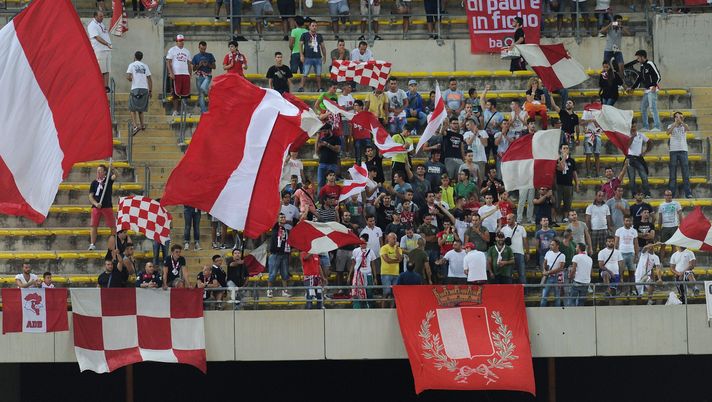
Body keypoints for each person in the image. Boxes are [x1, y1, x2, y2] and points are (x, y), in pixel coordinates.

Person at [629, 49, 662, 132]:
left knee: (653, 108)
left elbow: (658, 75)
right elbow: (639, 78)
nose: (637, 60)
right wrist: (632, 87)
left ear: (643, 57)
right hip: (646, 91)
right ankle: (646, 127)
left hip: (652, 89)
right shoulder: (642, 66)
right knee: (643, 108)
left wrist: (654, 85)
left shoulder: (650, 64)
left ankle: (657, 127)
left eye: (638, 58)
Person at [88, 165, 116, 251]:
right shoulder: (94, 183)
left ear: (104, 172)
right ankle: (92, 244)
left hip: (107, 206)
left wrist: (113, 168)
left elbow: (116, 175)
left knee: (112, 225)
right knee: (93, 225)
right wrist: (96, 204)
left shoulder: (108, 180)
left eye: (100, 171)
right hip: (96, 207)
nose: (98, 173)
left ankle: (114, 243)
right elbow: (90, 196)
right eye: (97, 171)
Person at [125, 51, 152, 135]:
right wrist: (150, 91)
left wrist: (130, 79)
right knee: (141, 109)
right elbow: (150, 79)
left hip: (135, 88)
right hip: (144, 89)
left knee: (132, 108)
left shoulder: (131, 65)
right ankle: (142, 125)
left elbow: (128, 76)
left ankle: (135, 126)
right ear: (141, 57)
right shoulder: (145, 66)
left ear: (134, 57)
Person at [667, 111, 693, 198]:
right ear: (674, 118)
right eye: (677, 117)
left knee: (685, 173)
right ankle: (671, 194)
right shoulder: (670, 125)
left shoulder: (684, 126)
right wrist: (675, 123)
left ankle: (688, 193)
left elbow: (688, 130)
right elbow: (667, 133)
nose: (679, 119)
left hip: (683, 150)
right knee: (672, 174)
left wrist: (681, 122)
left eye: (681, 117)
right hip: (673, 151)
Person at [349, 234, 378, 308]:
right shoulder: (355, 251)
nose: (361, 243)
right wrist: (349, 275)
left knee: (369, 292)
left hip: (368, 274)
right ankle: (357, 307)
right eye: (360, 242)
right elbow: (353, 264)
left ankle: (368, 307)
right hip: (358, 274)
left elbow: (373, 265)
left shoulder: (370, 251)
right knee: (357, 292)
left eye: (363, 242)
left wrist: (375, 277)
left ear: (366, 243)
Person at [166, 35, 192, 117]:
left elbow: (189, 63)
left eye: (182, 40)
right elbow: (168, 62)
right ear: (176, 41)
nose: (181, 42)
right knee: (176, 94)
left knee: (185, 94)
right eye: (180, 41)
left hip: (185, 74)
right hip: (176, 74)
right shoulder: (172, 50)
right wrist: (171, 73)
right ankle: (175, 110)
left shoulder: (187, 51)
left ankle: (184, 111)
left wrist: (190, 73)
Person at [626, 120, 652, 198]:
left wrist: (645, 152)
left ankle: (647, 194)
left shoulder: (641, 135)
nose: (633, 128)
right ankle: (634, 195)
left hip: (639, 158)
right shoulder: (627, 135)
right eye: (632, 127)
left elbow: (650, 142)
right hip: (630, 157)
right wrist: (632, 137)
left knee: (644, 177)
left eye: (634, 126)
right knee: (632, 179)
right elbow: (627, 146)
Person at [87, 11, 112, 92]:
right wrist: (106, 43)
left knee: (107, 69)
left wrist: (108, 45)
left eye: (103, 16)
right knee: (101, 70)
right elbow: (97, 37)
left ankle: (106, 87)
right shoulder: (92, 25)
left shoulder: (101, 24)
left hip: (106, 49)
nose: (102, 18)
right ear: (95, 16)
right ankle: (100, 88)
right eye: (100, 16)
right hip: (99, 50)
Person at [299, 20, 327, 92]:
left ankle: (319, 88)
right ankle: (301, 87)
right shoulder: (304, 35)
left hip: (318, 57)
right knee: (305, 73)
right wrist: (301, 55)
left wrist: (324, 56)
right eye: (313, 26)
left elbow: (323, 47)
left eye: (315, 26)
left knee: (318, 74)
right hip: (308, 57)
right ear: (309, 27)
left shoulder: (319, 36)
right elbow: (300, 45)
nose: (314, 27)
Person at [268, 214, 291, 298]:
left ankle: (285, 291)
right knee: (272, 274)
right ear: (277, 219)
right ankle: (269, 290)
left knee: (285, 274)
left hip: (284, 254)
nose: (283, 218)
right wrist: (280, 204)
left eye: (284, 217)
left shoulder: (286, 230)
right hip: (275, 254)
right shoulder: (275, 227)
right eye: (281, 217)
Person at [500, 214, 529, 284]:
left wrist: (527, 252)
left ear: (513, 219)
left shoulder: (521, 228)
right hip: (508, 254)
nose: (507, 221)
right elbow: (500, 242)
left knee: (522, 273)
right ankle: (510, 292)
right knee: (508, 274)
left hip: (519, 253)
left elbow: (525, 241)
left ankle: (524, 292)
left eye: (509, 219)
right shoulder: (503, 229)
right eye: (507, 219)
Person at [615, 216, 639, 294]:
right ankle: (619, 290)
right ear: (624, 221)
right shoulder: (619, 230)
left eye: (629, 221)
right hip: (621, 253)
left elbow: (636, 244)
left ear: (631, 221)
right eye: (627, 221)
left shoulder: (634, 231)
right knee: (620, 273)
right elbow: (616, 243)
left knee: (632, 273)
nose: (628, 222)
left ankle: (632, 290)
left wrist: (636, 255)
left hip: (631, 253)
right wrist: (616, 254)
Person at [658, 190, 683, 263]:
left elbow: (680, 215)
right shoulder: (661, 205)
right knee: (663, 246)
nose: (669, 196)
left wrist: (681, 225)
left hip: (674, 226)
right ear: (664, 196)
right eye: (667, 195)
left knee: (674, 246)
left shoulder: (676, 204)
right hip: (665, 227)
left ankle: (673, 263)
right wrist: (659, 227)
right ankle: (660, 262)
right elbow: (660, 217)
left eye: (670, 195)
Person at [556, 144, 579, 221]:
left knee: (568, 201)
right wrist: (564, 158)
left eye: (567, 148)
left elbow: (574, 173)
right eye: (564, 148)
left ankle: (565, 217)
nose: (565, 149)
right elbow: (560, 168)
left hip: (569, 184)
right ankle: (556, 217)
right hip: (559, 184)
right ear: (561, 150)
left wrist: (577, 184)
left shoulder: (572, 161)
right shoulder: (557, 159)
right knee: (557, 202)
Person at [192, 41, 216, 114]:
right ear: (199, 47)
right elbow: (194, 69)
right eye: (201, 49)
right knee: (201, 94)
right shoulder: (196, 57)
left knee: (203, 88)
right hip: (199, 76)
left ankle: (210, 94)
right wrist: (199, 65)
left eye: (204, 49)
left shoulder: (210, 55)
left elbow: (214, 67)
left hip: (207, 76)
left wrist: (207, 64)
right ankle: (204, 111)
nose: (203, 50)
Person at [540, 239, 565, 307]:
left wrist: (548, 272)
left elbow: (560, 268)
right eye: (550, 244)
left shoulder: (562, 255)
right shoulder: (548, 253)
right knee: (544, 296)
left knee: (557, 296)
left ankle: (557, 311)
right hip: (549, 277)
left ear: (557, 246)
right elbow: (544, 262)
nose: (551, 246)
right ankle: (542, 310)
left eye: (552, 245)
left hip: (556, 277)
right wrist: (545, 270)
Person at [380, 233, 403, 306]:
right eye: (393, 238)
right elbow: (387, 260)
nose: (395, 240)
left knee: (394, 293)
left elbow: (400, 259)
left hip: (396, 273)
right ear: (388, 239)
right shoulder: (384, 248)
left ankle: (391, 309)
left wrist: (396, 249)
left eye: (396, 238)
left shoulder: (398, 249)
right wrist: (396, 260)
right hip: (386, 273)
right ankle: (382, 309)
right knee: (386, 292)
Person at [586, 191, 612, 255]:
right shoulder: (590, 207)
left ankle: (603, 262)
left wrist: (609, 227)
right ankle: (593, 262)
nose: (601, 197)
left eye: (602, 196)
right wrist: (589, 229)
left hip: (604, 229)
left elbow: (608, 217)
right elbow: (587, 219)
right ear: (596, 196)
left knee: (603, 249)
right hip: (594, 230)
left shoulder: (606, 207)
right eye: (599, 195)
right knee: (593, 248)